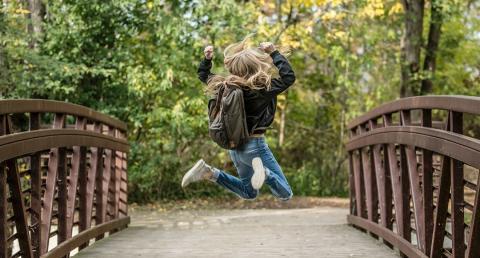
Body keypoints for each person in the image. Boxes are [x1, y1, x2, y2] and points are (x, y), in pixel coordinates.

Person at [181, 36, 295, 201]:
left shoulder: (225, 86)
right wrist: (273, 52)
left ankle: (209, 173)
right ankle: (265, 173)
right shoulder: (262, 88)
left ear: (235, 68)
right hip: (255, 146)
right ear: (256, 66)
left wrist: (207, 60)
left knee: (249, 193)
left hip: (235, 147)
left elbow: (203, 75)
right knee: (285, 193)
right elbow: (288, 77)